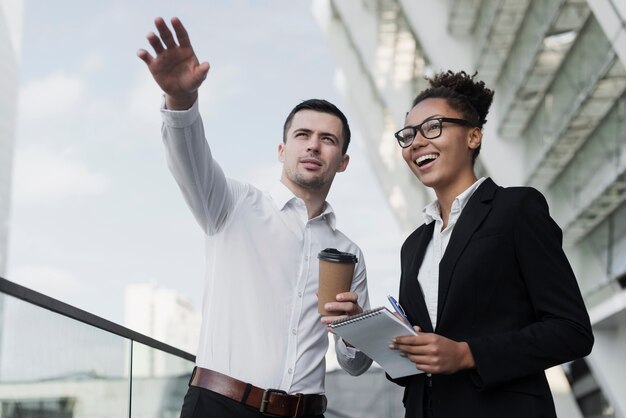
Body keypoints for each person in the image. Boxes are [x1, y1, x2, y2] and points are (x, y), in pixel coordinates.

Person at [137, 17, 372, 418]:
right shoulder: (232, 205)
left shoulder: (348, 252)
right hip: (218, 406)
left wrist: (354, 325)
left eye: (327, 139)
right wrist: (181, 101)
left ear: (343, 161)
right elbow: (188, 159)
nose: (313, 146)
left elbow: (355, 364)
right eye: (303, 135)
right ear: (282, 150)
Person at [388, 70, 594, 418]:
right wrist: (384, 339)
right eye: (408, 135)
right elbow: (418, 366)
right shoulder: (413, 245)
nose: (417, 142)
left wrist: (468, 354)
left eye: (433, 127)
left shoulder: (516, 209)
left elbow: (571, 331)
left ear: (473, 136)